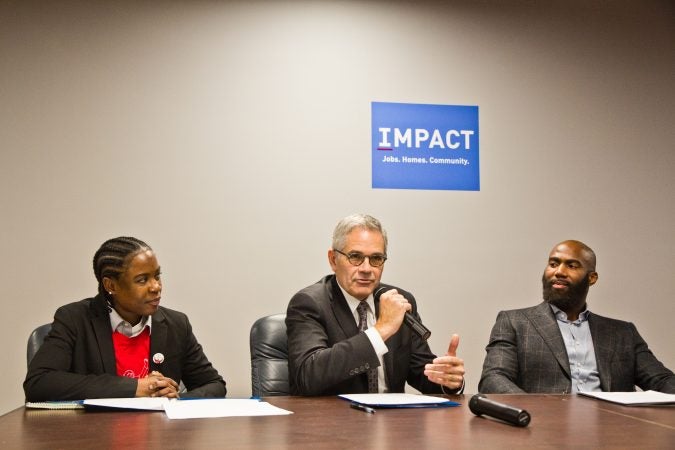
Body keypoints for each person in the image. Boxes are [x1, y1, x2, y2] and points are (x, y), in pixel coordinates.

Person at [24, 236, 226, 401]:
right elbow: (39, 383)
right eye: (142, 280)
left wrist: (175, 400)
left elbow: (214, 385)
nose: (156, 286)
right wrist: (135, 387)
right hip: (95, 436)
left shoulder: (176, 324)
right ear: (111, 286)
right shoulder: (75, 319)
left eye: (157, 276)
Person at [286, 214, 465, 396]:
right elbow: (307, 376)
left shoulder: (399, 301)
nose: (366, 269)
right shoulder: (310, 303)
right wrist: (381, 330)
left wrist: (447, 380)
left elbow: (421, 372)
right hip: (336, 420)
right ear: (333, 260)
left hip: (392, 420)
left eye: (376, 259)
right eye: (355, 257)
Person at [479, 239, 675, 394]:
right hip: (542, 431)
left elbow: (661, 380)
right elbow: (493, 379)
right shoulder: (514, 322)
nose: (559, 271)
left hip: (612, 431)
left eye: (572, 266)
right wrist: (535, 412)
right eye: (553, 264)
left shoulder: (623, 333)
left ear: (592, 278)